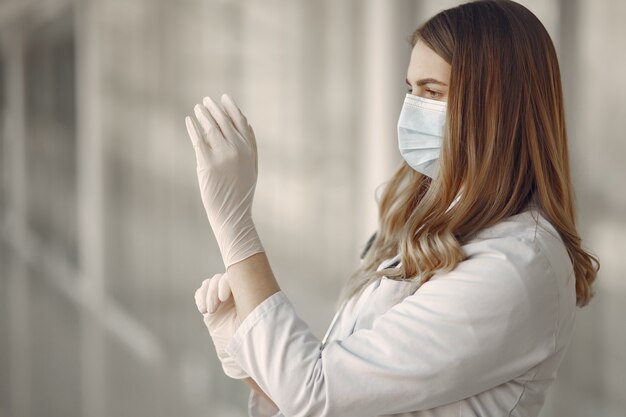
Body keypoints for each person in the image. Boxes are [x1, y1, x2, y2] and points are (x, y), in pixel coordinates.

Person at [187, 0, 600, 416]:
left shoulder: (514, 265)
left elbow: (317, 392)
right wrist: (246, 356)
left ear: (495, 105)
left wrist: (236, 227)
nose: (412, 108)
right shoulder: (437, 227)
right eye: (411, 89)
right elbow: (337, 398)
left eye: (432, 91)